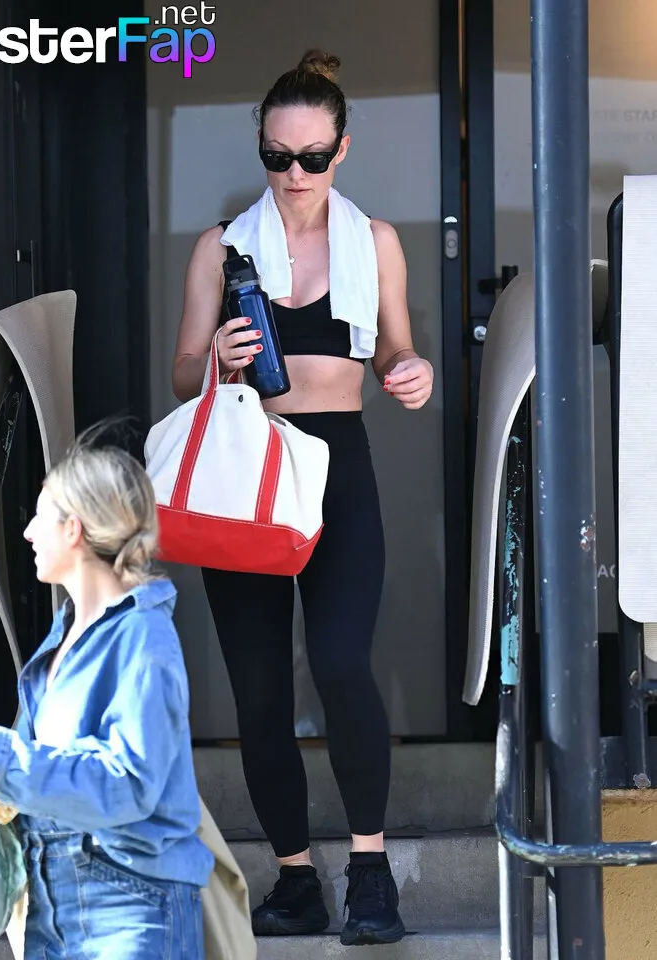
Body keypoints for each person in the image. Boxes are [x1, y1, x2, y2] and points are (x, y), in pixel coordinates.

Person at [172, 49, 434, 947]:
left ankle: (371, 873)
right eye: (277, 157)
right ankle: (294, 879)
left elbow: (394, 346)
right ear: (262, 149)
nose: (294, 175)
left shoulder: (376, 241)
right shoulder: (222, 246)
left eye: (312, 158)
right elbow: (181, 373)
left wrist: (410, 369)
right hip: (246, 464)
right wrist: (217, 358)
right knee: (257, 687)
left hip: (335, 463)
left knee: (341, 661)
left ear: (342, 150)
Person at [0, 432, 213, 960]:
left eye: (41, 516)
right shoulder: (62, 638)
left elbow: (131, 783)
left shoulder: (142, 635)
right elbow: (42, 771)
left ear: (74, 528)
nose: (27, 531)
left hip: (131, 907)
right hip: (52, 907)